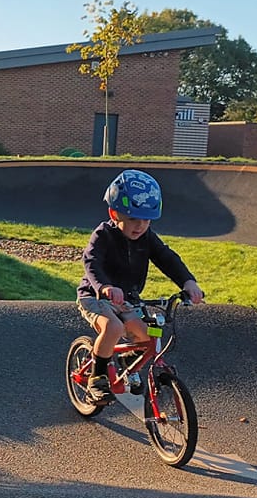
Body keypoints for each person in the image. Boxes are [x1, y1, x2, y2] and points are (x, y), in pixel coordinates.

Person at [77, 169, 204, 402]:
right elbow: (91, 262)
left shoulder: (146, 237)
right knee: (113, 328)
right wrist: (104, 286)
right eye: (133, 219)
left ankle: (129, 361)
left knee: (148, 335)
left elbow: (167, 258)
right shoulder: (103, 235)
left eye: (146, 220)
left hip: (126, 299)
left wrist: (188, 282)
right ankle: (97, 377)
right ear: (114, 214)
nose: (140, 226)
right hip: (95, 296)